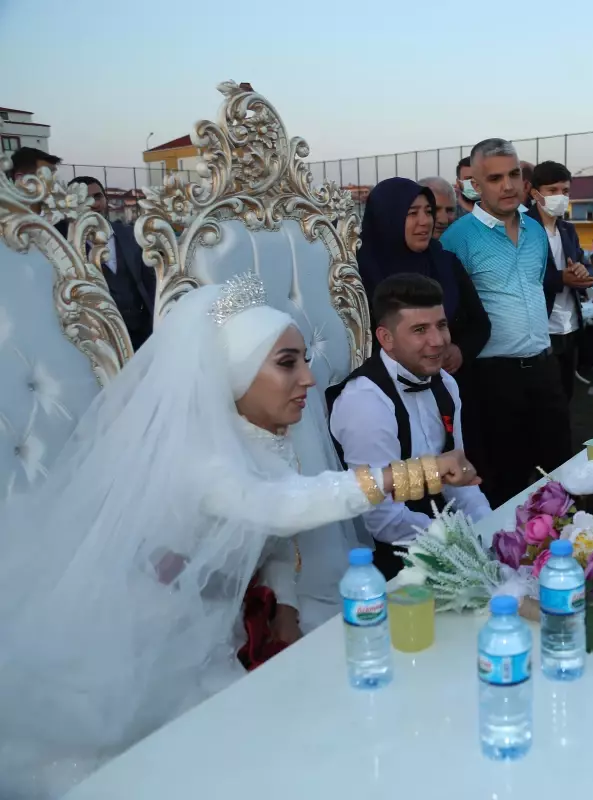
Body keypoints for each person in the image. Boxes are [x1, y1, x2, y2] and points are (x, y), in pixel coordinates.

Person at [0, 275, 479, 798]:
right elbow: (277, 506)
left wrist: (287, 610)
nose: (309, 380)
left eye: (303, 360)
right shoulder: (200, 458)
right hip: (160, 635)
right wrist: (417, 472)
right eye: (286, 363)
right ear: (235, 371)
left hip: (231, 611)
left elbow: (275, 541)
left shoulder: (267, 437)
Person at [329, 274, 491, 580]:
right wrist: (459, 546)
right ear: (386, 338)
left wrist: (489, 532)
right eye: (419, 330)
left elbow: (458, 476)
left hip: (440, 531)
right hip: (384, 559)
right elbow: (380, 518)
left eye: (441, 325)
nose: (439, 341)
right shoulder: (365, 403)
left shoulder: (446, 383)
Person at [441, 139, 573, 507]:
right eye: (495, 177)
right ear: (476, 186)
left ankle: (566, 551)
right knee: (505, 482)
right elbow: (452, 310)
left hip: (545, 369)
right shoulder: (458, 238)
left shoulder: (534, 232)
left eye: (514, 174)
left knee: (563, 474)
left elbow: (538, 289)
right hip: (492, 379)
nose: (508, 185)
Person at [355, 178, 490, 375]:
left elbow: (480, 323)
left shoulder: (445, 262)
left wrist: (460, 350)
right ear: (387, 217)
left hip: (448, 385)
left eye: (428, 211)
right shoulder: (358, 273)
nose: (425, 221)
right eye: (412, 213)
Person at [66, 176, 157, 350]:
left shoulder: (131, 235)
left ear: (106, 199)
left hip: (143, 333)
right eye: (85, 199)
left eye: (98, 197)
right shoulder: (68, 247)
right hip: (99, 341)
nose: (93, 204)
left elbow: (150, 281)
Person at [527, 161, 592, 400]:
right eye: (552, 190)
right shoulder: (524, 229)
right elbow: (523, 276)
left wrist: (582, 273)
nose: (560, 196)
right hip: (540, 327)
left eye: (565, 191)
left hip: (570, 325)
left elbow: (579, 264)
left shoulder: (568, 230)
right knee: (542, 399)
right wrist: (560, 278)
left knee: (566, 395)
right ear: (535, 193)